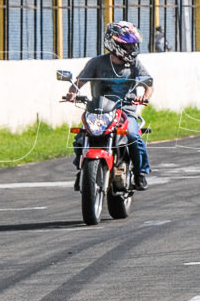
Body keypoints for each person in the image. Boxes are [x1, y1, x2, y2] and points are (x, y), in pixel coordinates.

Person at [63, 21, 155, 190]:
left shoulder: (135, 64)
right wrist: (72, 93)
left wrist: (144, 96)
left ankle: (140, 174)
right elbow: (80, 81)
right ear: (114, 44)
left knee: (133, 136)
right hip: (99, 111)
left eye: (133, 45)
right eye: (127, 45)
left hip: (126, 112)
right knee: (81, 137)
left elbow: (149, 83)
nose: (131, 49)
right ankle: (82, 170)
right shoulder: (97, 63)